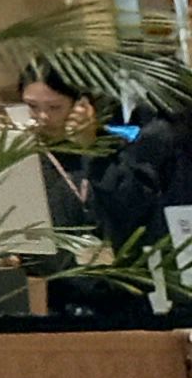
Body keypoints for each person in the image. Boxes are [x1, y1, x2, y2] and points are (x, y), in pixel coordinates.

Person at [15, 62, 192, 249]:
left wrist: (92, 148)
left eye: (54, 107)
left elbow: (132, 207)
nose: (42, 116)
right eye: (32, 106)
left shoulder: (118, 148)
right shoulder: (22, 153)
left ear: (82, 104)